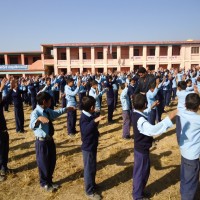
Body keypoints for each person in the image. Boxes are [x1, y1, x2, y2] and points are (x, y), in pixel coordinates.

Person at [131, 94, 177, 200]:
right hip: (141, 151)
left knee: (143, 172)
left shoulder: (135, 112)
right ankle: (137, 196)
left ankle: (139, 191)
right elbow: (153, 130)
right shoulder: (141, 120)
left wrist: (151, 106)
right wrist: (169, 118)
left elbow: (144, 111)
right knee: (141, 173)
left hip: (141, 149)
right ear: (145, 104)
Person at [29, 92, 75, 192]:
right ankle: (44, 183)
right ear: (44, 101)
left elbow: (55, 113)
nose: (51, 102)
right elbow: (31, 125)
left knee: (51, 162)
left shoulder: (47, 110)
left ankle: (50, 181)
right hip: (42, 143)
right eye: (50, 101)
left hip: (50, 140)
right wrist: (38, 119)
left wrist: (66, 109)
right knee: (43, 163)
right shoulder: (36, 112)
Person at [79, 96, 105, 200]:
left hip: (93, 145)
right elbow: (85, 131)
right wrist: (95, 121)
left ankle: (92, 184)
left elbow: (94, 122)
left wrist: (97, 116)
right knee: (89, 169)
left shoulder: (89, 114)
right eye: (94, 106)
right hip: (88, 147)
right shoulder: (84, 118)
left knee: (93, 167)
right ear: (91, 107)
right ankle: (89, 191)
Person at [176, 93, 200, 200]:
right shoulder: (198, 120)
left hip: (184, 151)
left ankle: (184, 192)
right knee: (191, 181)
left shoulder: (182, 113)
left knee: (185, 176)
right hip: (193, 155)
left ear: (185, 105)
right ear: (198, 106)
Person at [0, 78, 12, 181]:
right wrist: (1, 88)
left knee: (5, 151)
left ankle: (4, 167)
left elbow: (6, 98)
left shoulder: (1, 104)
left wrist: (11, 88)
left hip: (4, 132)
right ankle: (2, 170)